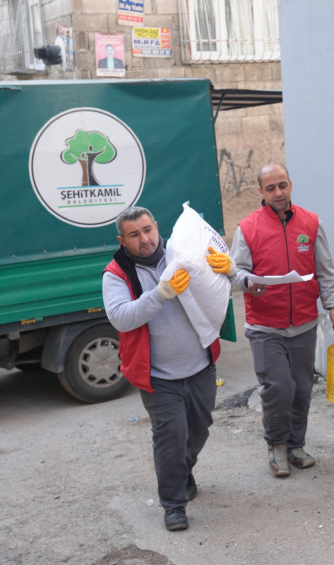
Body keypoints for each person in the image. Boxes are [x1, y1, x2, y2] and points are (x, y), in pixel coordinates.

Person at [102, 205, 234, 531]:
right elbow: (121, 317)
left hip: (200, 364)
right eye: (134, 234)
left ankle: (183, 469)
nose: (144, 239)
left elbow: (226, 287)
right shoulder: (116, 273)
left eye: (148, 229)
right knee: (171, 438)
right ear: (122, 240)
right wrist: (160, 293)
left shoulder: (183, 252)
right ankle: (173, 504)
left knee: (199, 429)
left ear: (156, 227)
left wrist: (232, 272)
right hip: (158, 376)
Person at [229, 163, 334, 477]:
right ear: (261, 192)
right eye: (271, 188)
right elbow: (233, 274)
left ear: (290, 185)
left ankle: (296, 445)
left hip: (305, 324)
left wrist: (333, 306)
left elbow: (325, 270)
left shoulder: (311, 222)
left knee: (303, 388)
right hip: (265, 326)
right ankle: (276, 446)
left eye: (282, 185)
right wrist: (247, 283)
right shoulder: (247, 228)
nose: (278, 193)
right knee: (278, 387)